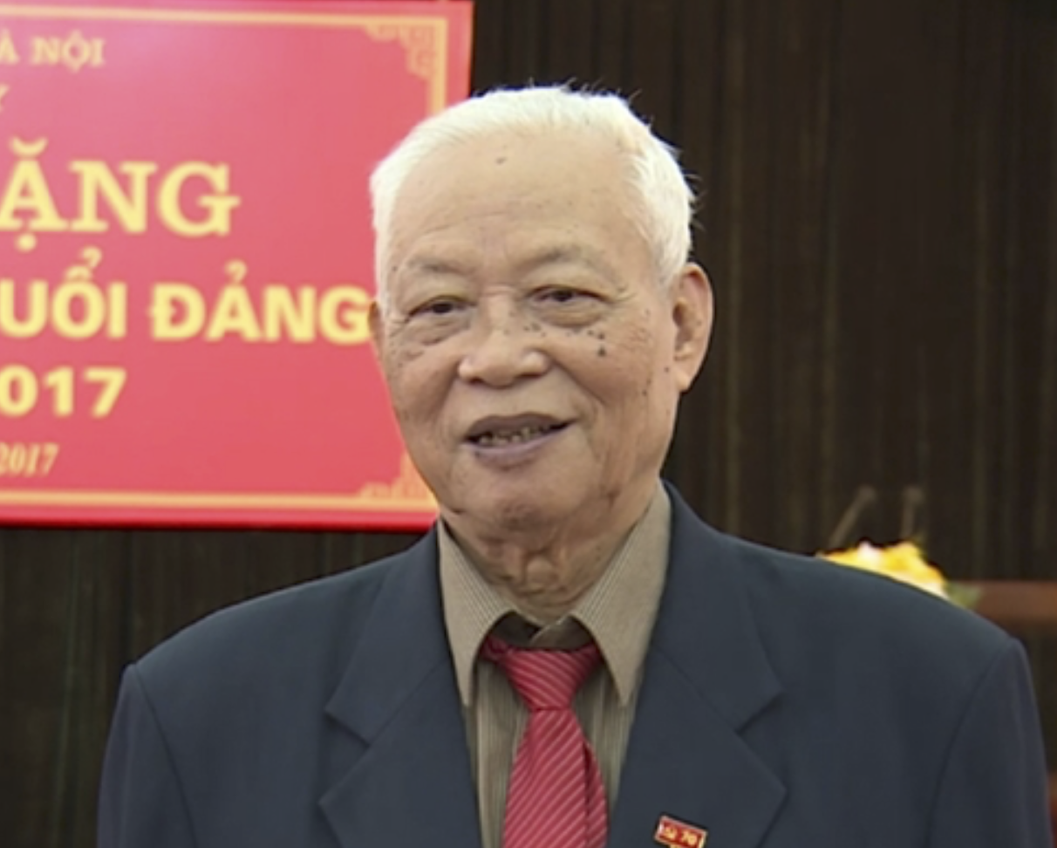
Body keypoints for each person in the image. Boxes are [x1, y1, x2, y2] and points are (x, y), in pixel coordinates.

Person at [97, 87, 1053, 848]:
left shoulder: (928, 695)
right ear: (384, 348)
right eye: (440, 309)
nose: (496, 357)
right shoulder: (201, 715)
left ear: (683, 326)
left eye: (560, 295)